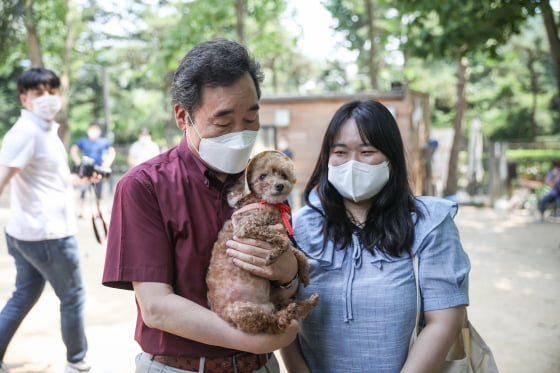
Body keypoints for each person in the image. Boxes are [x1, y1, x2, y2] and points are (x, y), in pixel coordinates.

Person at [102, 39, 300, 373]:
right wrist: (253, 341)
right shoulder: (144, 187)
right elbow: (157, 307)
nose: (240, 133)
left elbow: (288, 282)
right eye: (223, 123)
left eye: (251, 118)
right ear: (183, 116)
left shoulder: (265, 182)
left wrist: (288, 274)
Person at [280, 100, 471, 373]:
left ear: (391, 156)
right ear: (327, 158)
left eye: (367, 151)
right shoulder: (301, 227)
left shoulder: (429, 224)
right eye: (340, 152)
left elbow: (444, 323)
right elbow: (285, 313)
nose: (352, 164)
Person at [0, 68, 91, 373]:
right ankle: (77, 362)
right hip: (47, 235)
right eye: (39, 94)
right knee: (73, 296)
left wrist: (77, 179)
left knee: (25, 293)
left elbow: (48, 178)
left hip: (27, 232)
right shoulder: (25, 133)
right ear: (25, 99)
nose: (48, 99)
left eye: (52, 91)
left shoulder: (45, 131)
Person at [70, 121, 116, 217]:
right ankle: (80, 210)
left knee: (98, 192)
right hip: (86, 169)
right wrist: (78, 162)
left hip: (98, 169)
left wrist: (107, 164)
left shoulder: (104, 141)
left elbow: (112, 151)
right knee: (83, 190)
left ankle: (98, 211)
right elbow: (73, 150)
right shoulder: (84, 141)